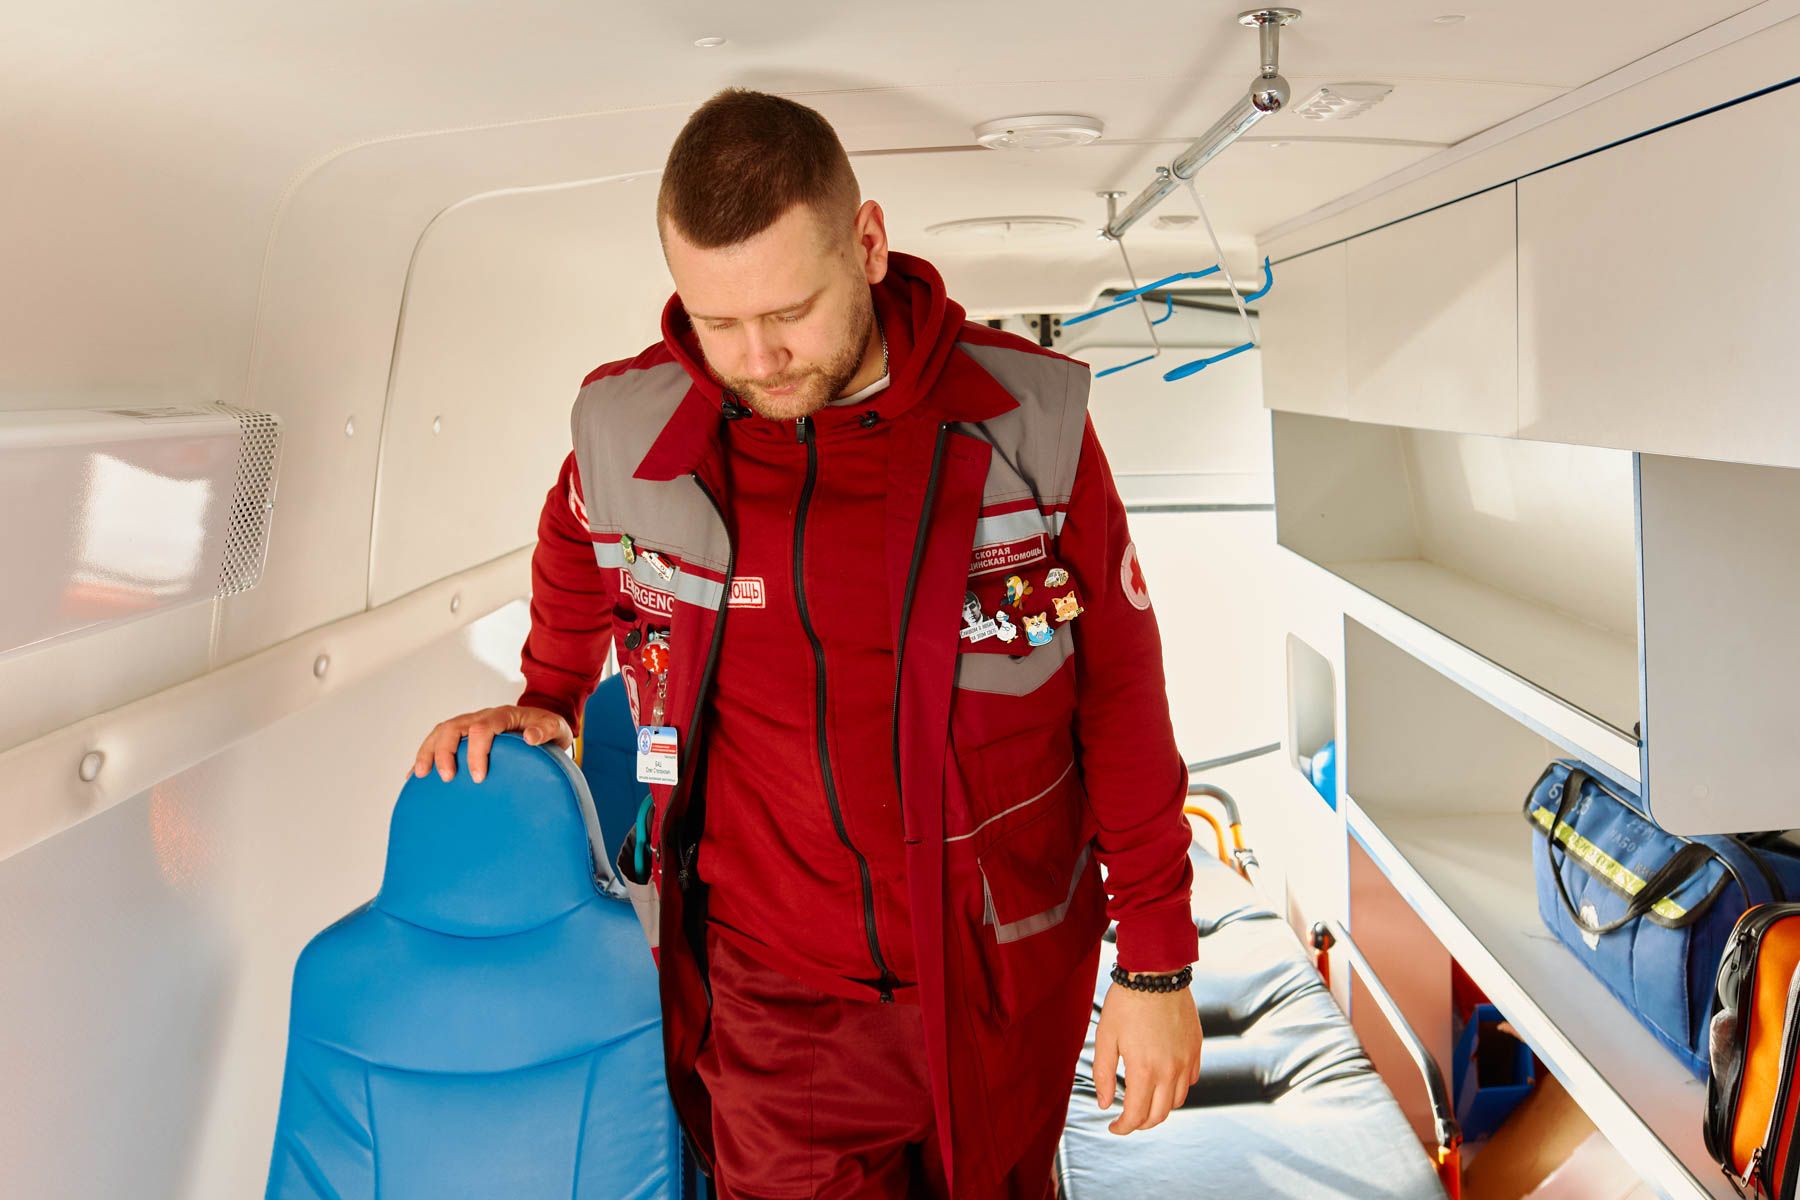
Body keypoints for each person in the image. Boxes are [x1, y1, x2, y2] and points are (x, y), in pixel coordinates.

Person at [412, 87, 1202, 1199]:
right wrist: (551, 687)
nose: (759, 356)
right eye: (716, 321)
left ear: (867, 244)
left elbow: (1118, 694)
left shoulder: (1031, 422)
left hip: (1002, 972)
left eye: (790, 311)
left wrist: (1157, 961)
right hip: (777, 1007)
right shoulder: (628, 427)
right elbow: (577, 531)